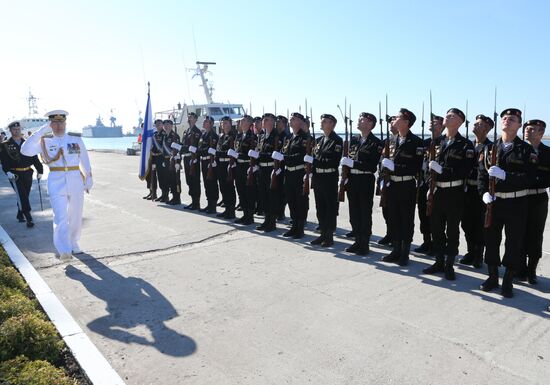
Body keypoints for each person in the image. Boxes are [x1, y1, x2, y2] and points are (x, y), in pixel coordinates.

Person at [478, 108, 536, 298]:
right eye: (504, 118)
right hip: (493, 203)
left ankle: (508, 280)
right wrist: (484, 193)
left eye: (512, 119)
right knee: (491, 240)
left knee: (513, 243)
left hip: (516, 203)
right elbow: (481, 176)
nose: (506, 121)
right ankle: (492, 277)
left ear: (519, 125)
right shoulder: (489, 148)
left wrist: (506, 176)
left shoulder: (527, 150)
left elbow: (530, 177)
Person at [20, 110, 92, 261]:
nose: (58, 125)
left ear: (65, 123)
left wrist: (89, 177)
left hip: (75, 179)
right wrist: (40, 131)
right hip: (56, 180)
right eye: (54, 122)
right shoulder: (44, 140)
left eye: (61, 122)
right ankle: (64, 249)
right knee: (60, 216)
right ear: (50, 124)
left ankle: (74, 241)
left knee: (76, 214)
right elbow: (25, 151)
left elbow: (84, 157)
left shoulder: (75, 138)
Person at [422, 108, 475, 280]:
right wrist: (430, 182)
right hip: (437, 191)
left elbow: (464, 170)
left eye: (453, 116)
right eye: (447, 115)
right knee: (436, 228)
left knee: (452, 230)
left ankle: (449, 264)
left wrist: (443, 170)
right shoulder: (436, 142)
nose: (448, 117)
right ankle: (438, 261)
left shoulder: (466, 145)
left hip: (454, 192)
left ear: (460, 122)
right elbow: (427, 167)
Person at [380, 109, 423, 266]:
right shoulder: (391, 140)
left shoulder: (417, 142)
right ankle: (395, 249)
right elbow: (384, 160)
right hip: (392, 185)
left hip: (406, 185)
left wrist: (395, 167)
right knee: (393, 218)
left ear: (406, 122)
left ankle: (405, 252)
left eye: (398, 117)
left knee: (406, 219)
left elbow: (416, 167)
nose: (394, 119)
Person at [340, 112, 382, 255]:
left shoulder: (376, 143)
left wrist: (353, 163)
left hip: (365, 180)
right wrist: (344, 175)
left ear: (370, 124)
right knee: (354, 212)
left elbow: (371, 166)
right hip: (352, 180)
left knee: (364, 212)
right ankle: (357, 241)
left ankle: (364, 243)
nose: (358, 121)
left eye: (362, 119)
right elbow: (347, 161)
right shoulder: (354, 140)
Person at [459, 114, 494, 268]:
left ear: (486, 129)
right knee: (466, 222)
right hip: (466, 189)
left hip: (481, 192)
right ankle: (470, 251)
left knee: (480, 224)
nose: (475, 125)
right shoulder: (467, 145)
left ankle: (479, 255)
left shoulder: (490, 148)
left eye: (479, 124)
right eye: (475, 123)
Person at [517, 119, 549, 284]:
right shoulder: (519, 150)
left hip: (538, 198)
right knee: (519, 233)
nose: (527, 131)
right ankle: (520, 269)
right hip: (520, 196)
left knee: (535, 236)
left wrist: (529, 180)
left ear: (541, 133)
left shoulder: (548, 153)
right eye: (526, 128)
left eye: (532, 129)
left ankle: (531, 271)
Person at [273, 112, 310, 239]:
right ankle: (294, 226)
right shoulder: (288, 137)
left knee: (300, 201)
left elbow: (301, 157)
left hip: (299, 172)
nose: (291, 120)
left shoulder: (304, 138)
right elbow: (284, 151)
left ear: (300, 122)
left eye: (293, 119)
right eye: (291, 119)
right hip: (288, 172)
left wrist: (284, 157)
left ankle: (300, 228)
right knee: (291, 200)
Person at [308, 113, 342, 247]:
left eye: (325, 122)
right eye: (321, 121)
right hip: (318, 177)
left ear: (332, 124)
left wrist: (315, 161)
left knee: (329, 207)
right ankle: (322, 233)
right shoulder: (319, 140)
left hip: (329, 177)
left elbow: (333, 161)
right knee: (320, 207)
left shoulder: (337, 140)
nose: (321, 123)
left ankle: (329, 236)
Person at [0, 121, 44, 227]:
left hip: (28, 172)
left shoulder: (27, 143)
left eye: (18, 129)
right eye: (14, 129)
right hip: (15, 174)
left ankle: (20, 214)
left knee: (24, 195)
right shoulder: (5, 145)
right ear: (10, 131)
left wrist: (40, 170)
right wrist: (8, 172)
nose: (17, 131)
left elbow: (34, 158)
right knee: (22, 195)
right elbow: (4, 160)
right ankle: (29, 217)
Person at [415, 115, 443, 254]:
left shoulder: (443, 142)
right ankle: (426, 241)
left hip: (437, 184)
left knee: (435, 216)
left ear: (442, 126)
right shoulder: (423, 142)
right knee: (422, 213)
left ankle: (436, 244)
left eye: (436, 122)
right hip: (423, 183)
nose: (432, 123)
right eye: (431, 122)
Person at [254, 113, 282, 232]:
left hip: (271, 169)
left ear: (272, 122)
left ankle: (272, 222)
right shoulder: (261, 136)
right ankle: (266, 220)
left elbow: (276, 155)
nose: (263, 122)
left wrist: (260, 155)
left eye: (266, 120)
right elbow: (260, 151)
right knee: (263, 195)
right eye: (263, 120)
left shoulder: (277, 136)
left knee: (272, 196)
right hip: (262, 169)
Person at [232, 115, 257, 225]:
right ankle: (245, 214)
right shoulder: (239, 136)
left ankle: (250, 216)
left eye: (244, 121)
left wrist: (238, 155)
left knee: (249, 192)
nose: (241, 123)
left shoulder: (253, 137)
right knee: (241, 191)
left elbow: (252, 154)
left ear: (249, 123)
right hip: (239, 166)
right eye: (241, 121)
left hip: (247, 167)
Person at [377, 116, 398, 245]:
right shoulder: (386, 141)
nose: (391, 124)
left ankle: (396, 236)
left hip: (395, 179)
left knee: (395, 211)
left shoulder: (401, 141)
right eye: (390, 122)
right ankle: (389, 233)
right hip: (384, 178)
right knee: (386, 209)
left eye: (394, 122)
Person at [215, 116, 237, 219]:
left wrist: (218, 153)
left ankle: (231, 211)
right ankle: (227, 209)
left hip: (228, 164)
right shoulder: (222, 136)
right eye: (223, 123)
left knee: (229, 188)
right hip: (220, 164)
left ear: (230, 124)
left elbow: (230, 152)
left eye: (226, 123)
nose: (224, 125)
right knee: (223, 187)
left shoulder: (233, 136)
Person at [197, 115, 219, 214]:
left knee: (212, 183)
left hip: (210, 161)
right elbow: (200, 147)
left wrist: (200, 151)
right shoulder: (203, 135)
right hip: (203, 161)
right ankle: (209, 204)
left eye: (206, 122)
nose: (203, 123)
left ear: (210, 124)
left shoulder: (214, 136)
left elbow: (211, 150)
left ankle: (213, 206)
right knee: (206, 184)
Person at [180, 112, 202, 209]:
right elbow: (184, 144)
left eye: (191, 118)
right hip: (186, 157)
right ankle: (193, 201)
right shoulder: (186, 131)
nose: (189, 119)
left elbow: (197, 146)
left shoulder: (197, 132)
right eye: (188, 117)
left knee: (195, 180)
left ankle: (196, 203)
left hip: (194, 158)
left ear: (196, 119)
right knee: (189, 180)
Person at [144, 119, 166, 201]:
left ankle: (165, 195)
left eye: (159, 124)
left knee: (162, 176)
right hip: (154, 158)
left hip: (161, 157)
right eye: (156, 124)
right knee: (153, 176)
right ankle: (154, 193)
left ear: (162, 125)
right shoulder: (155, 134)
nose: (158, 126)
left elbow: (164, 147)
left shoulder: (164, 134)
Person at [162, 119, 182, 205]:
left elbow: (177, 149)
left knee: (175, 179)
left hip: (173, 160)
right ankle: (173, 197)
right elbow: (164, 149)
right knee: (170, 179)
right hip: (167, 160)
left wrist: (177, 162)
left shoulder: (175, 136)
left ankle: (177, 198)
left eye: (167, 125)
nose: (166, 126)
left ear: (171, 126)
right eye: (165, 125)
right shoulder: (165, 136)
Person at [275, 115, 290, 221]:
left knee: (282, 191)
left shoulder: (287, 137)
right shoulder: (275, 135)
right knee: (275, 190)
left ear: (284, 124)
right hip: (275, 166)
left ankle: (281, 212)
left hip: (283, 166)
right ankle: (276, 211)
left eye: (279, 122)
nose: (276, 123)